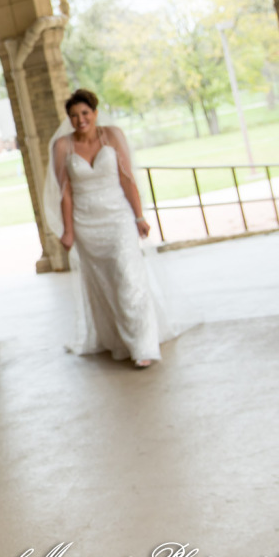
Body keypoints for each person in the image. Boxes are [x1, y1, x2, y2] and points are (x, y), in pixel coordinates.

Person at [44, 88, 174, 368]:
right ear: (69, 118)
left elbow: (127, 179)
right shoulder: (62, 147)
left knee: (129, 276)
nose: (80, 120)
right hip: (86, 224)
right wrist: (67, 231)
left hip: (118, 218)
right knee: (106, 284)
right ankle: (117, 338)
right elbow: (65, 192)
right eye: (74, 115)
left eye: (85, 113)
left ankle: (143, 346)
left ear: (95, 113)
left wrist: (139, 216)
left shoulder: (112, 136)